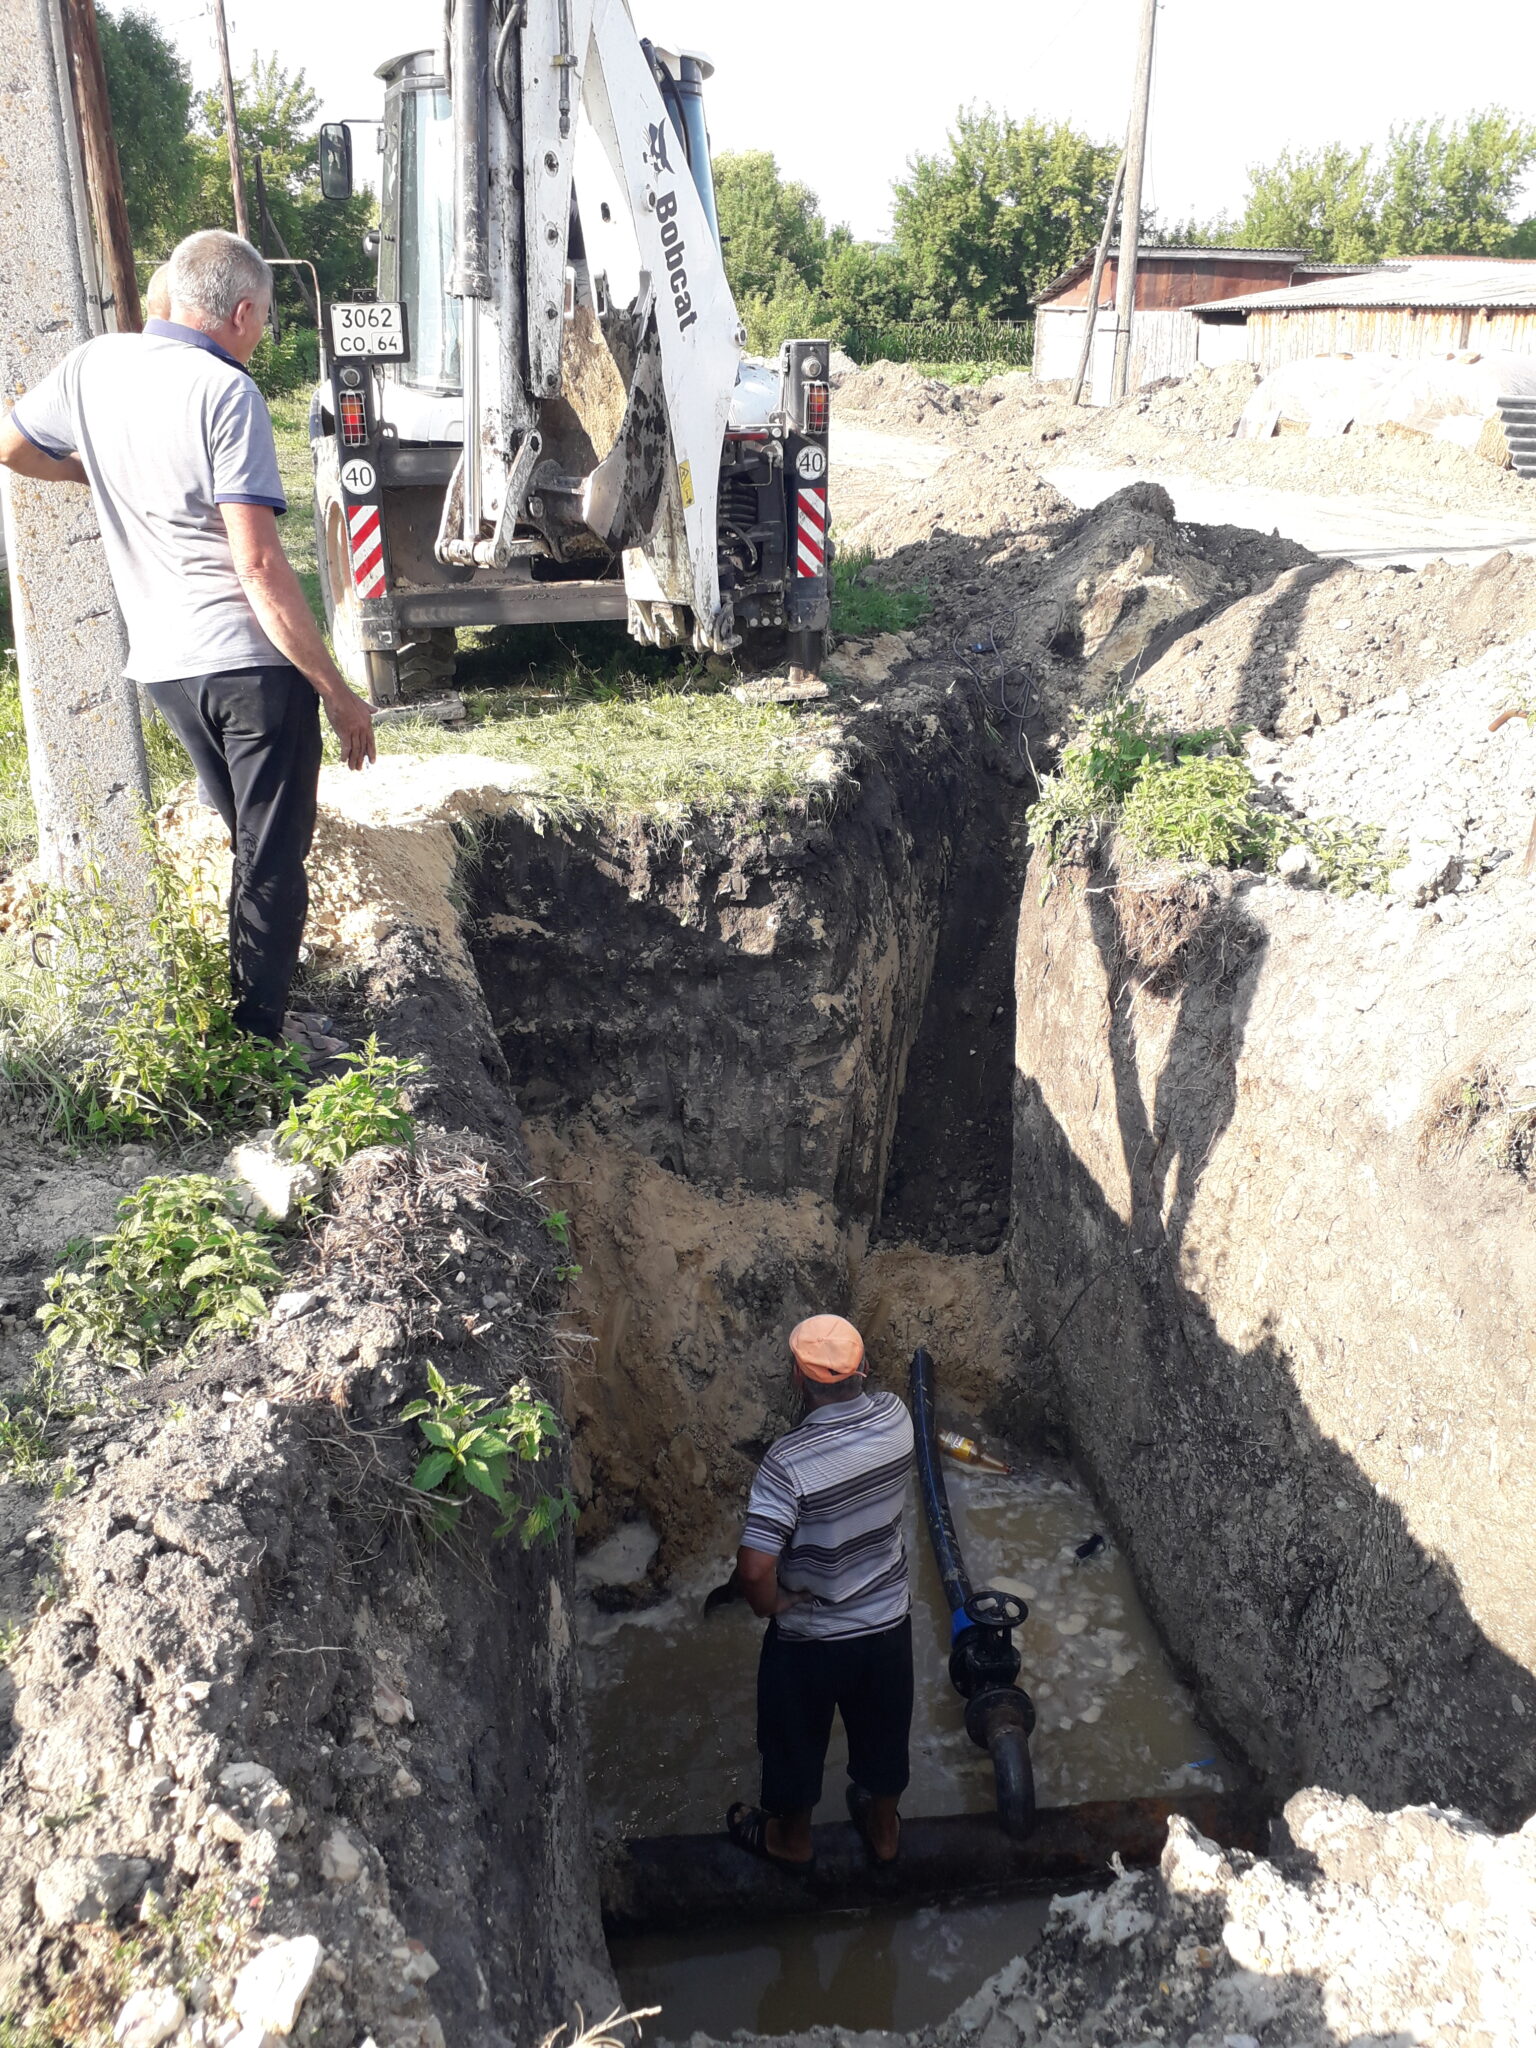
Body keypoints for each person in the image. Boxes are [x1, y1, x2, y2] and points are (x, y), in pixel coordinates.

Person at [0, 229, 376, 1042]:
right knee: (273, 862)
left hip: (166, 669)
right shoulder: (225, 391)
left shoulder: (93, 365)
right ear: (241, 312)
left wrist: (98, 477)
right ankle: (261, 1044)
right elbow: (260, 567)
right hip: (248, 667)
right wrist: (338, 693)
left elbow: (12, 444)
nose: (262, 332)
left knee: (248, 845)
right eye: (265, 318)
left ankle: (255, 1010)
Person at [726, 1314, 916, 1868]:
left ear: (797, 1378)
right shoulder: (897, 1418)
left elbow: (756, 1568)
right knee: (884, 1737)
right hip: (887, 1623)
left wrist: (772, 1607)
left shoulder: (788, 1464)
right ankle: (884, 1835)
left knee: (794, 1744)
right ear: (863, 1370)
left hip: (811, 1634)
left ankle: (792, 1841)